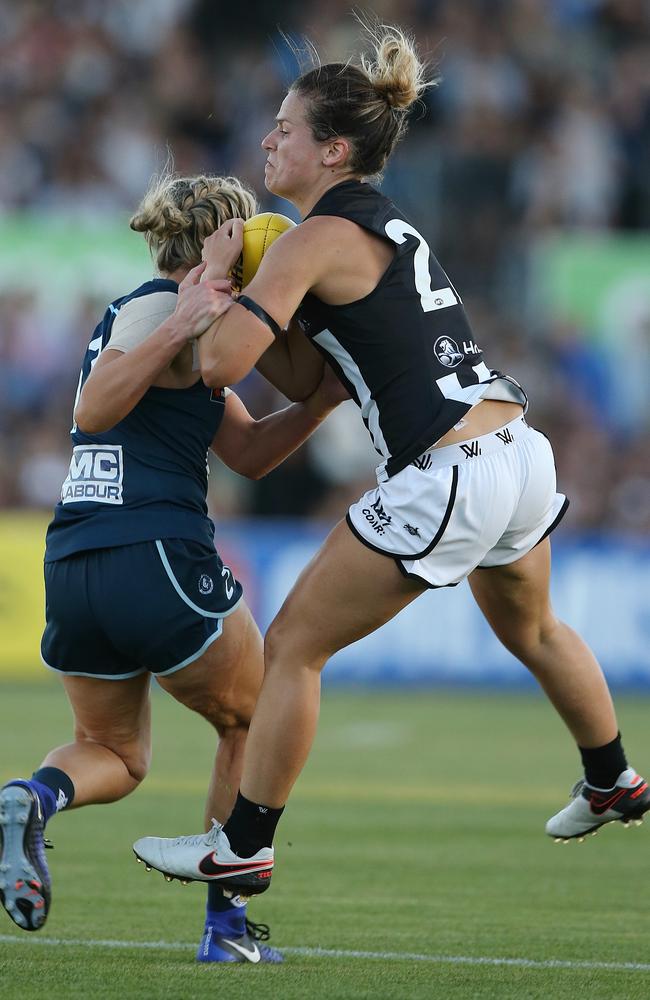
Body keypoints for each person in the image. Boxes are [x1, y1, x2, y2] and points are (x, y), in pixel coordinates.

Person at [132, 22, 649, 896]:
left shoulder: (311, 239)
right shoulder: (372, 224)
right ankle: (615, 779)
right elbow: (305, 376)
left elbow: (221, 367)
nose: (266, 140)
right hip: (517, 451)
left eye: (286, 129)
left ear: (332, 150)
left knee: (292, 644)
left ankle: (245, 843)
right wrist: (266, 294)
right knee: (535, 629)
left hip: (447, 469)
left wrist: (222, 282)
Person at [0, 172, 346, 962]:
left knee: (117, 756)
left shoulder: (181, 324)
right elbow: (91, 408)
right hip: (154, 549)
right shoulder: (163, 310)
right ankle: (226, 929)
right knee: (259, 717)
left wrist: (320, 403)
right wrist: (183, 318)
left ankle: (30, 798)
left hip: (78, 560)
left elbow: (250, 451)